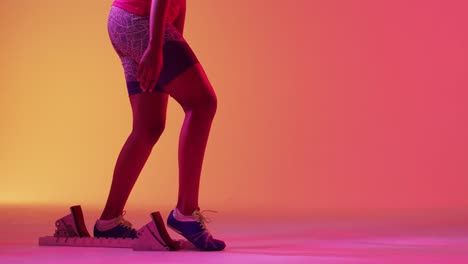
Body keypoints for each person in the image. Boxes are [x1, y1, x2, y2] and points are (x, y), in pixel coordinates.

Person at [94, 0, 225, 251]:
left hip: (124, 21)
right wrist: (156, 46)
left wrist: (174, 42)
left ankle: (109, 220)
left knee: (148, 126)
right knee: (203, 104)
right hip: (141, 21)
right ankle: (186, 212)